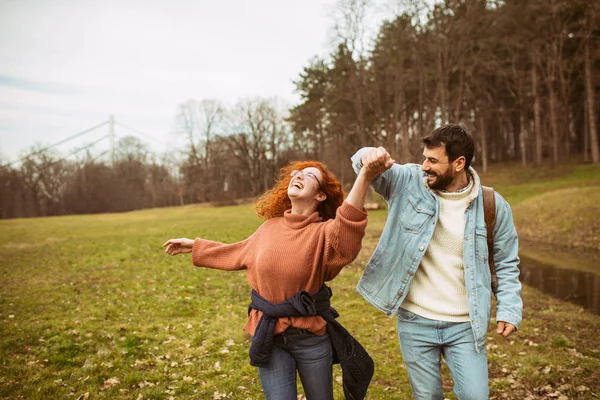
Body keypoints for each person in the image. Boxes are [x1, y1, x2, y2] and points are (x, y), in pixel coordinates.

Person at [163, 157, 393, 400]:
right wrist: (195, 246)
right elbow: (238, 251)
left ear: (321, 196)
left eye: (309, 175)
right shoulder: (269, 227)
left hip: (310, 337)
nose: (298, 176)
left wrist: (365, 176)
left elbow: (348, 227)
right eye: (296, 173)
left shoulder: (325, 233)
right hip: (269, 333)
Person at [352, 124, 523, 399]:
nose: (424, 166)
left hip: (466, 325)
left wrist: (509, 308)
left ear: (459, 163)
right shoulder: (407, 181)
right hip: (415, 320)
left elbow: (506, 261)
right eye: (424, 158)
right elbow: (359, 162)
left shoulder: (492, 204)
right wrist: (369, 155)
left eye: (433, 160)